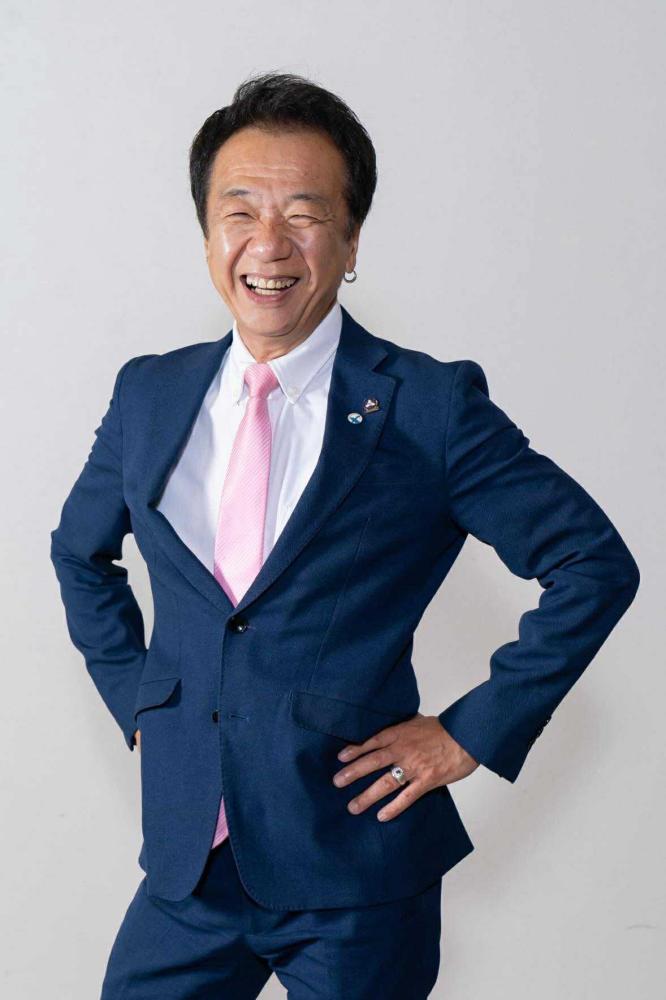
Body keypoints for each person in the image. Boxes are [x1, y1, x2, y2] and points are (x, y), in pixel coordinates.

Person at [50, 71, 640, 999]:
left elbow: (592, 563)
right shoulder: (149, 392)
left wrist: (469, 733)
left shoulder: (430, 406)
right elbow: (79, 554)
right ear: (207, 234)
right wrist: (141, 701)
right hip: (188, 862)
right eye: (239, 211)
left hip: (357, 869)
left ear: (353, 238)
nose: (268, 243)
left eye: (305, 213)